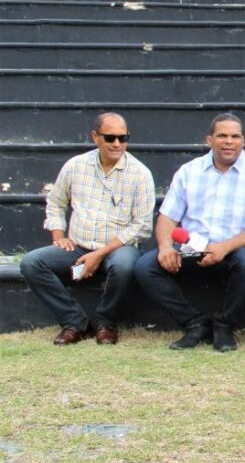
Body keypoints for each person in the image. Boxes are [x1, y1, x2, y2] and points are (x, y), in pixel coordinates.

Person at [134, 113, 245, 352]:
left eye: (235, 136)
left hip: (234, 250)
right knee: (145, 266)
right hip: (192, 247)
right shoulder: (189, 171)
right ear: (209, 140)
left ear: (243, 141)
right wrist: (166, 246)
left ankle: (224, 326)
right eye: (222, 136)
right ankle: (195, 323)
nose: (229, 141)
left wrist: (225, 247)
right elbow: (168, 216)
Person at [20, 113, 154, 346]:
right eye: (110, 137)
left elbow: (142, 226)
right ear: (95, 137)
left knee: (124, 264)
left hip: (118, 248)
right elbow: (56, 201)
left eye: (123, 138)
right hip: (78, 245)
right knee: (31, 263)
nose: (117, 144)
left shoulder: (140, 173)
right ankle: (75, 322)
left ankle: (105, 322)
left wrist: (99, 254)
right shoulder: (76, 165)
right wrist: (58, 235)